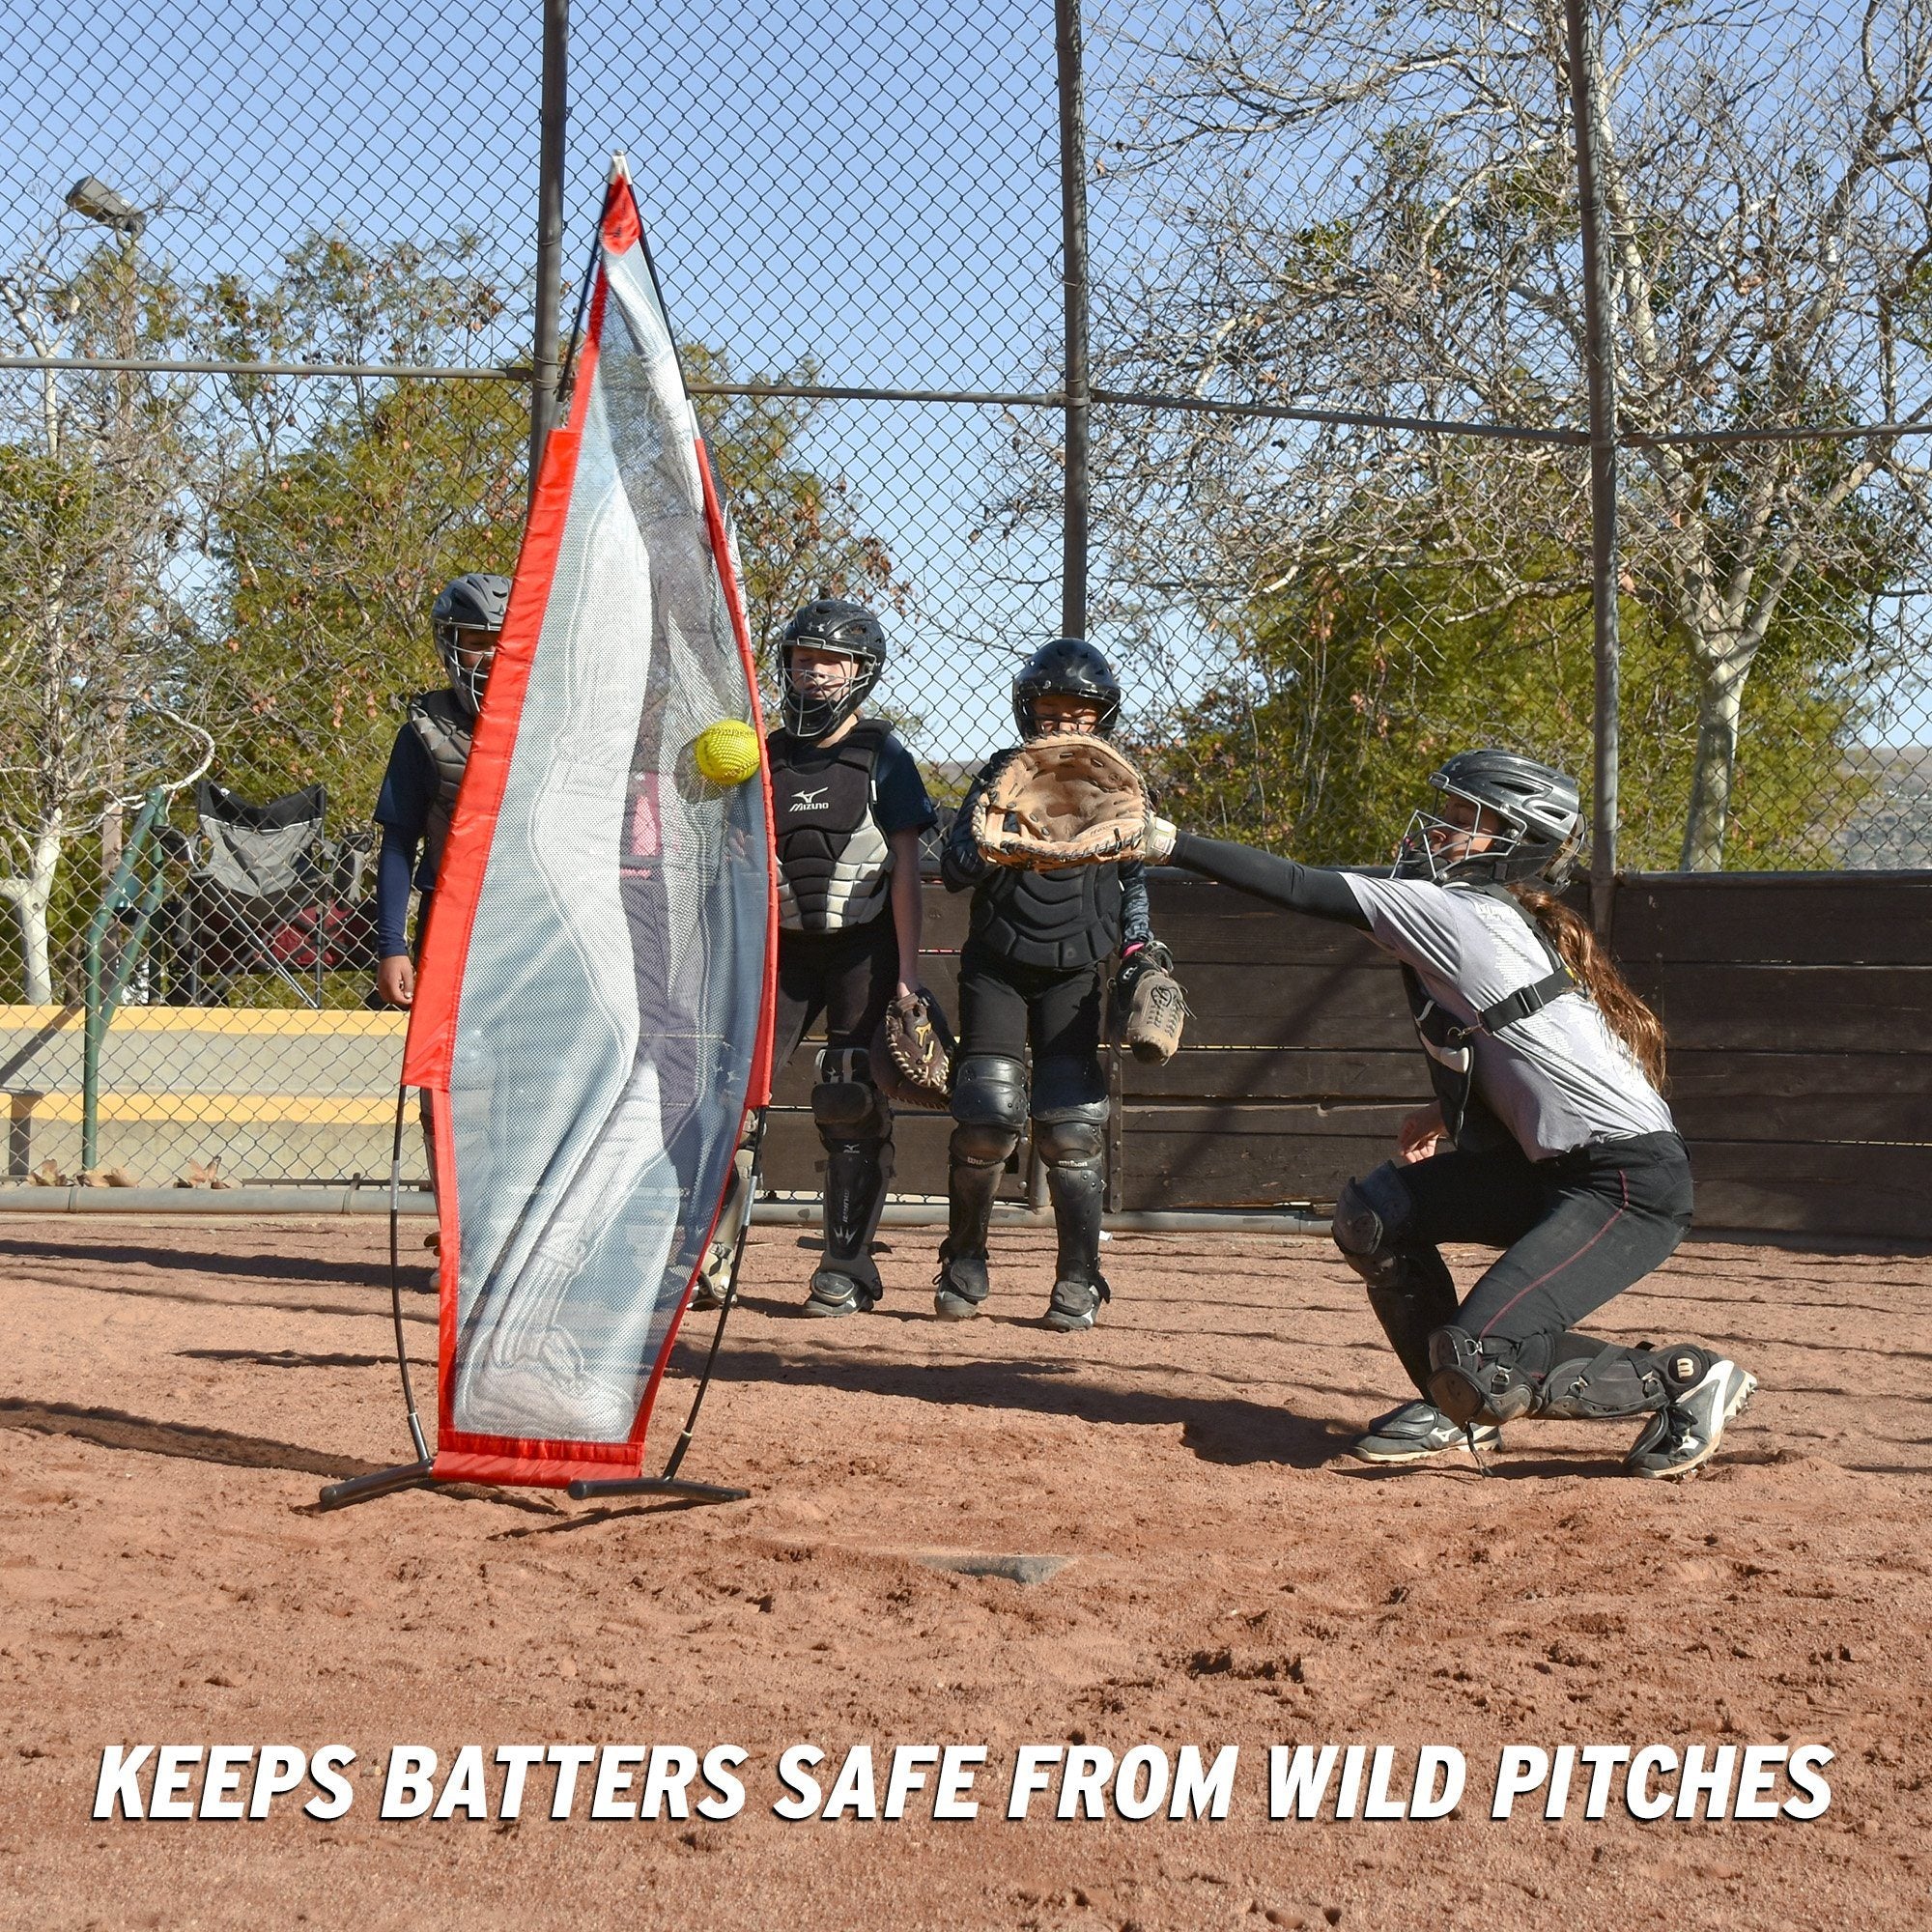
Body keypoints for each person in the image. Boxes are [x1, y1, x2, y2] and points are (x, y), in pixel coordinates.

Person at [1143, 749, 1756, 1479]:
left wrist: (1165, 841)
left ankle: (1685, 1379)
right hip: (1555, 1173)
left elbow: (1303, 886)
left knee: (1483, 1358)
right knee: (1377, 1214)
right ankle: (1452, 1407)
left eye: (1469, 819)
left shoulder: (1458, 912)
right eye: (1450, 812)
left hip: (1627, 1187)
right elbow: (1530, 1048)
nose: (1439, 828)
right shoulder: (1477, 914)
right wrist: (1444, 1109)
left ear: (1516, 843)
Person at [693, 598, 937, 1319]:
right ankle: (709, 1260)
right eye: (803, 660)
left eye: (830, 662)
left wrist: (908, 976)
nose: (814, 673)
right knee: (733, 1097)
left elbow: (905, 869)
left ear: (861, 672)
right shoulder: (764, 756)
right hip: (783, 950)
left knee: (848, 1096)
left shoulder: (882, 754)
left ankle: (845, 1265)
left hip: (863, 947)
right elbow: (733, 861)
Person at [935, 639, 1154, 1331]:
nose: (1064, 724)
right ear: (1026, 711)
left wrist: (1141, 950)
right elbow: (954, 870)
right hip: (998, 966)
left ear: (1103, 718)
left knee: (1072, 1131)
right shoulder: (1000, 774)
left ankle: (1079, 1277)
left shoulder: (1121, 783)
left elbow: (1134, 879)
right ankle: (963, 1259)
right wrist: (994, 840)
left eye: (1080, 714)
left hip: (1075, 972)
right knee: (986, 1118)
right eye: (1050, 711)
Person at [372, 574, 512, 1245]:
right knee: (449, 1079)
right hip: (452, 924)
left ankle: (512, 1223)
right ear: (449, 645)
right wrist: (391, 945)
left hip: (535, 922)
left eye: (501, 641)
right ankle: (461, 1224)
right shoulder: (425, 731)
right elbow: (398, 842)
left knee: (529, 1078)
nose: (490, 655)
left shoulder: (554, 718)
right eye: (475, 641)